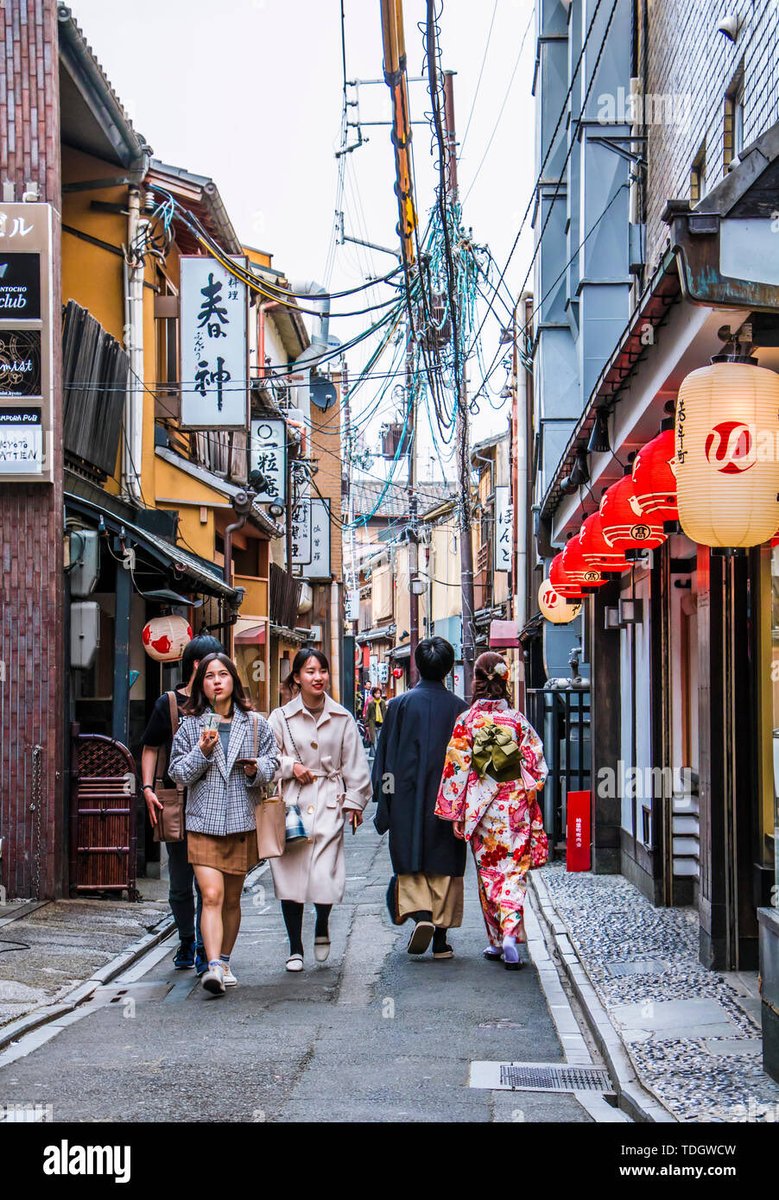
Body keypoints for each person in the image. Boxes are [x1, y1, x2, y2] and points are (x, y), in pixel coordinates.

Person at [168, 652, 278, 995]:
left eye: (223, 675)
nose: (217, 681)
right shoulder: (191, 725)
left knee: (232, 900)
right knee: (211, 894)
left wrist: (254, 769)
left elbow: (273, 762)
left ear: (233, 680)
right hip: (203, 821)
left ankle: (225, 959)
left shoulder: (256, 723)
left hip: (242, 821)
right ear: (202, 685)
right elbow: (178, 773)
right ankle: (212, 965)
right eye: (209, 676)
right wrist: (201, 751)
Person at [435, 651, 549, 970]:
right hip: (514, 808)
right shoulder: (516, 721)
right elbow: (538, 766)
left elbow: (455, 770)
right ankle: (510, 933)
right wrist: (516, 780)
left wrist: (455, 812)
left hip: (482, 811)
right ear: (503, 678)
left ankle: (498, 941)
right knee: (514, 873)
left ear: (476, 680)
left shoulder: (467, 722)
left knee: (489, 875)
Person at [268, 648, 372, 972]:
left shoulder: (341, 717)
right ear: (297, 677)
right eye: (310, 671)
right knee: (291, 878)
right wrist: (290, 766)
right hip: (291, 806)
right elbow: (267, 760)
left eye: (322, 671)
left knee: (324, 875)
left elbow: (355, 763)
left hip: (329, 800)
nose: (318, 677)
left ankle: (323, 923)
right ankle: (295, 947)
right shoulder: (280, 717)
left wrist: (355, 803)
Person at [373, 637, 468, 958]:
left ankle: (421, 915)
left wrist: (384, 801)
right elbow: (466, 763)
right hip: (447, 802)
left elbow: (384, 758)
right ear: (448, 668)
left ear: (417, 665)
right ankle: (440, 940)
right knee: (444, 865)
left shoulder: (398, 706)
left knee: (411, 863)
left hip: (405, 799)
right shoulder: (460, 710)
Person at [140, 634, 223, 974]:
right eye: (212, 665)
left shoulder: (219, 704)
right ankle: (187, 939)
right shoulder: (170, 704)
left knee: (208, 881)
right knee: (178, 881)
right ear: (196, 666)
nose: (219, 674)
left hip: (211, 802)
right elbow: (150, 746)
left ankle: (207, 947)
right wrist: (146, 787)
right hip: (176, 801)